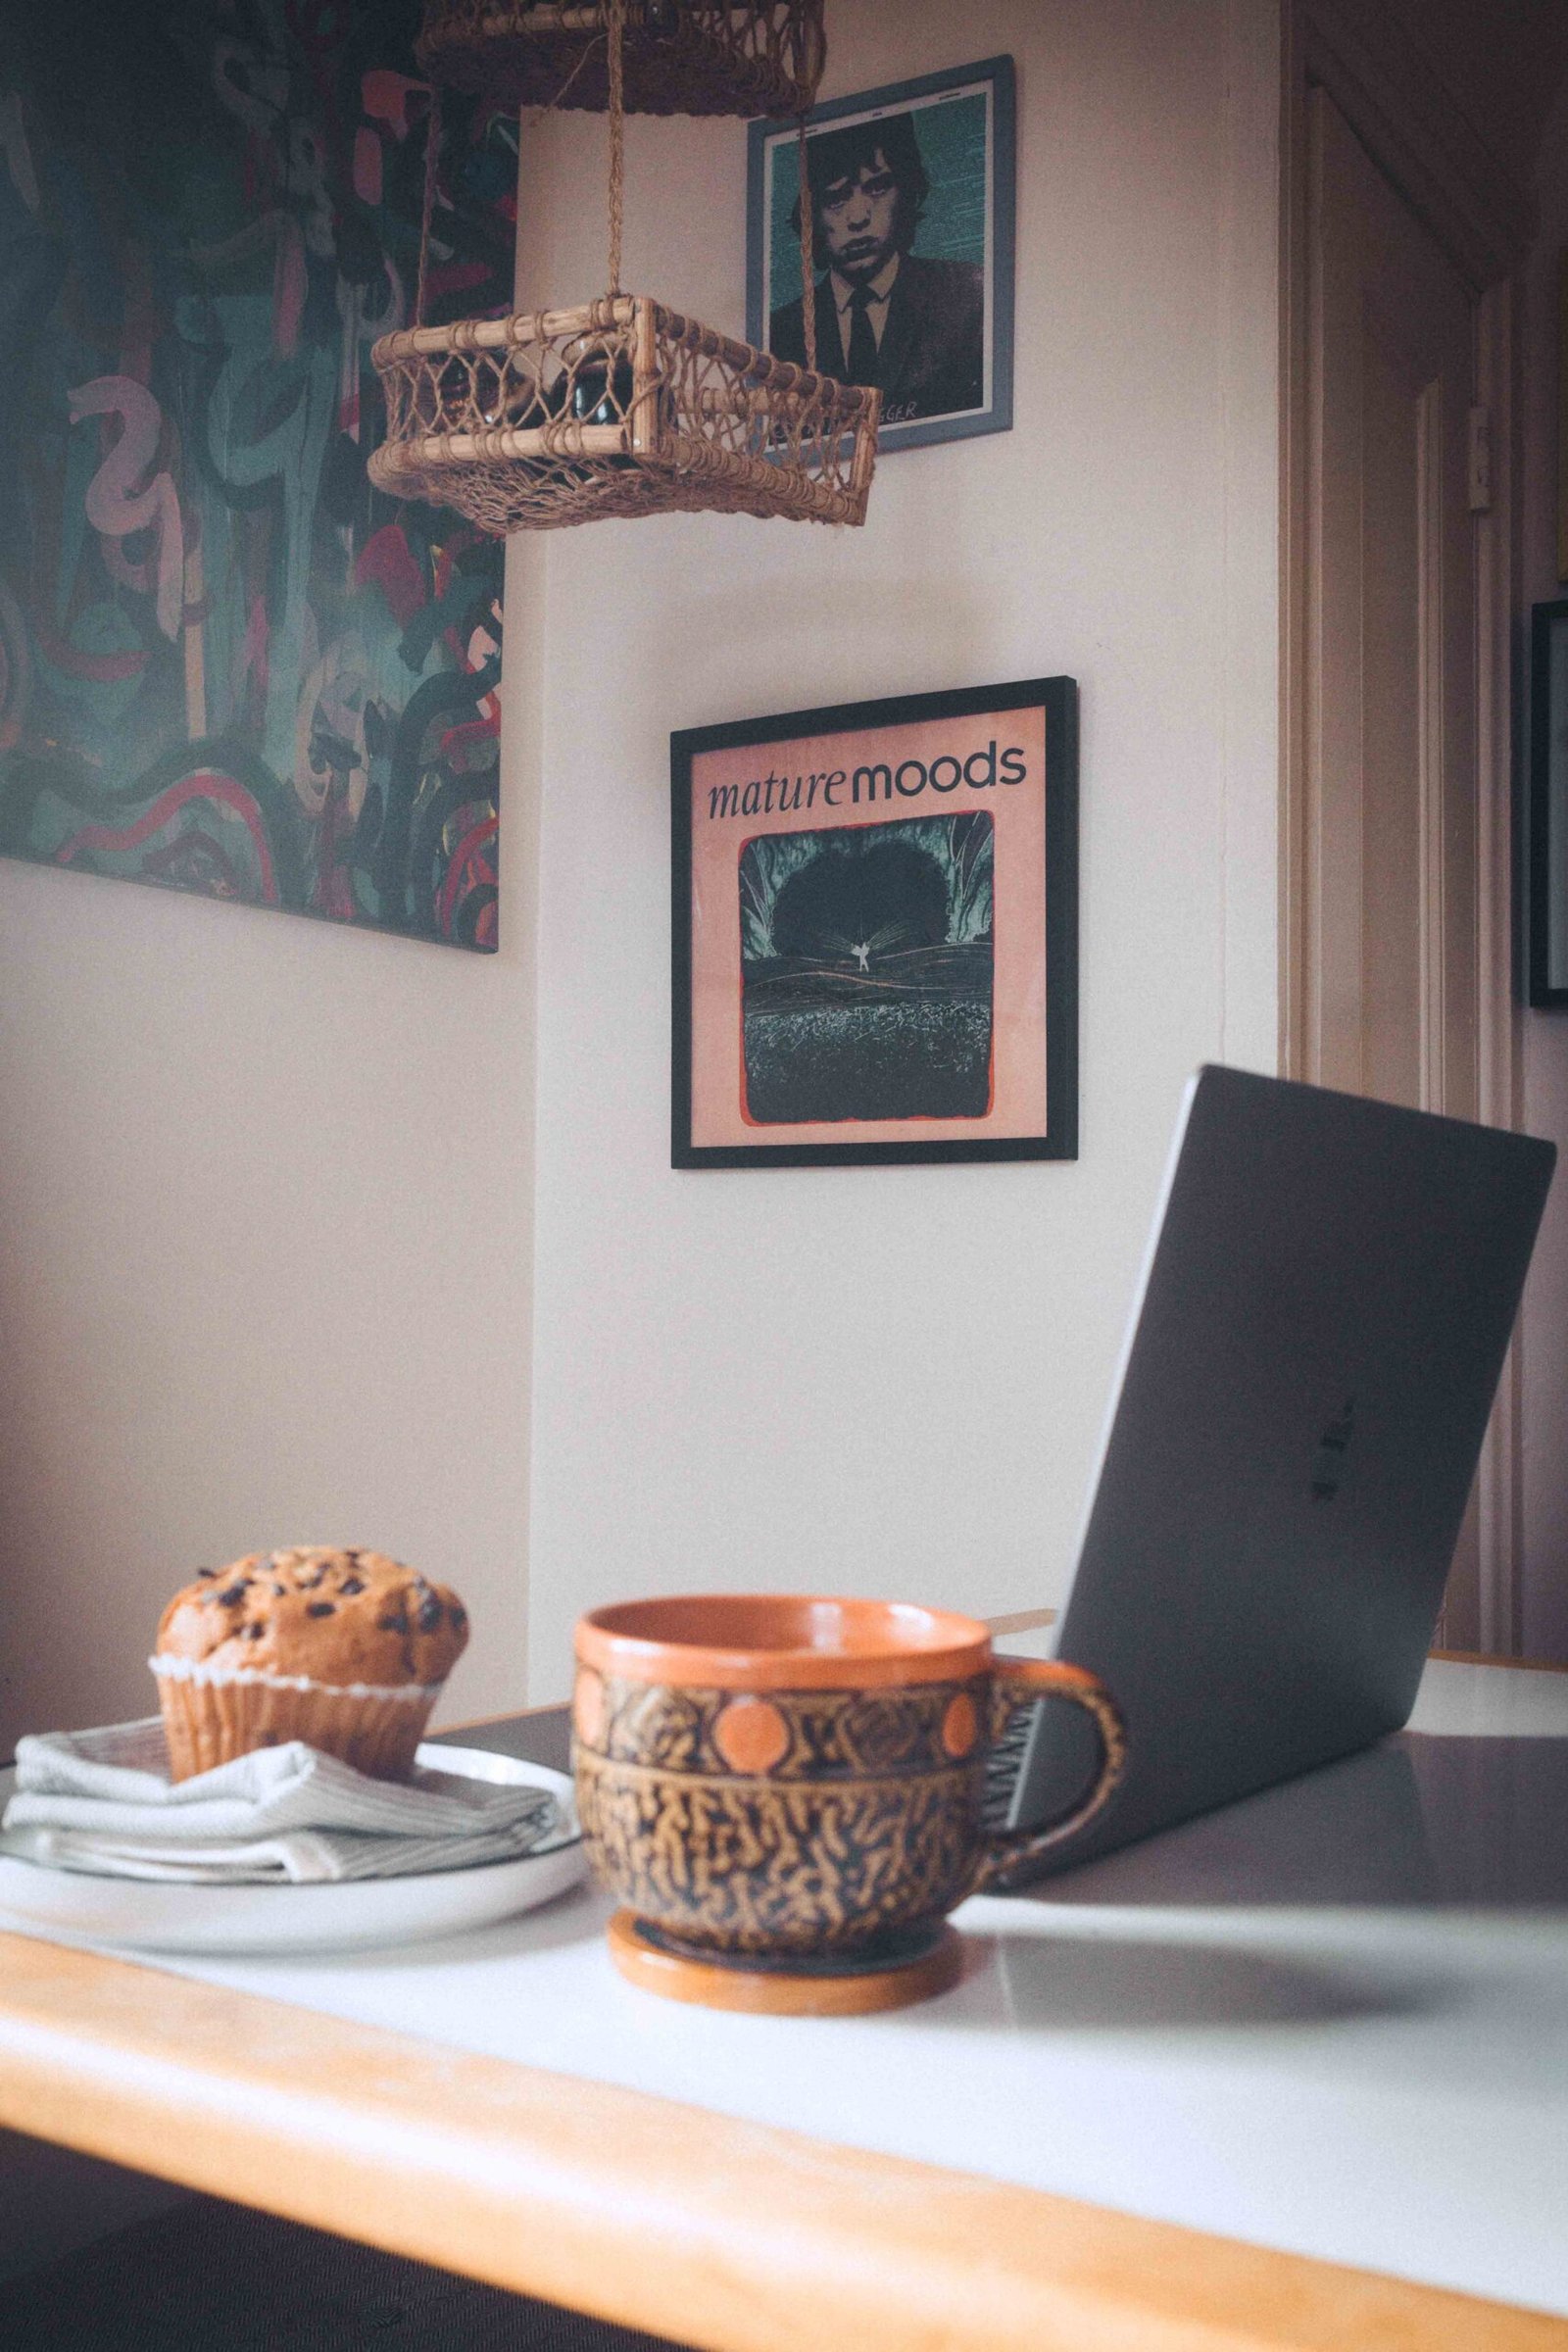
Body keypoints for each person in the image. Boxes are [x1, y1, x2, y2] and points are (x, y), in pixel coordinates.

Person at [768, 111, 984, 426]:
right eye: (836, 197)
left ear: (907, 190)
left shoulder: (969, 298)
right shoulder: (779, 335)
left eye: (877, 187)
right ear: (810, 213)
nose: (858, 218)